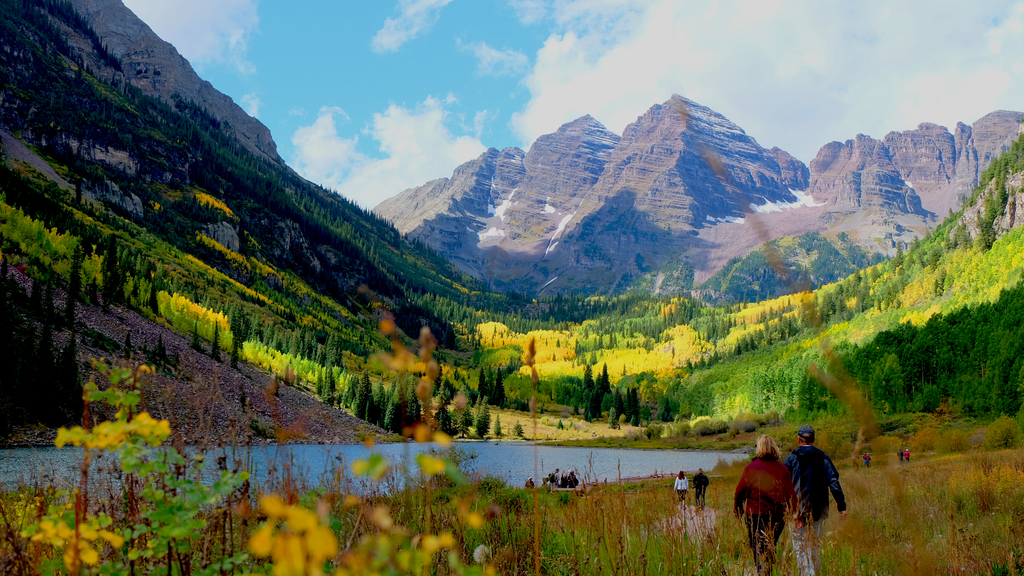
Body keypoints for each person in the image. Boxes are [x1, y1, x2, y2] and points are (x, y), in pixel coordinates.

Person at [784, 425, 847, 576]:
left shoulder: (791, 459)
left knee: (801, 549)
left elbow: (782, 485)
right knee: (815, 547)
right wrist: (842, 506)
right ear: (813, 440)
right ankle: (816, 572)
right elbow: (834, 483)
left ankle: (808, 573)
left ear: (799, 440)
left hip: (796, 513)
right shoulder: (824, 458)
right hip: (819, 512)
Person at [735, 435, 797, 576]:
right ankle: (766, 570)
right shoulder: (782, 470)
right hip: (776, 515)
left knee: (757, 547)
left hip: (754, 514)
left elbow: (740, 491)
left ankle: (762, 572)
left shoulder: (750, 468)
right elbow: (791, 495)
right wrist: (795, 514)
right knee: (770, 545)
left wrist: (738, 509)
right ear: (774, 448)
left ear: (759, 448)